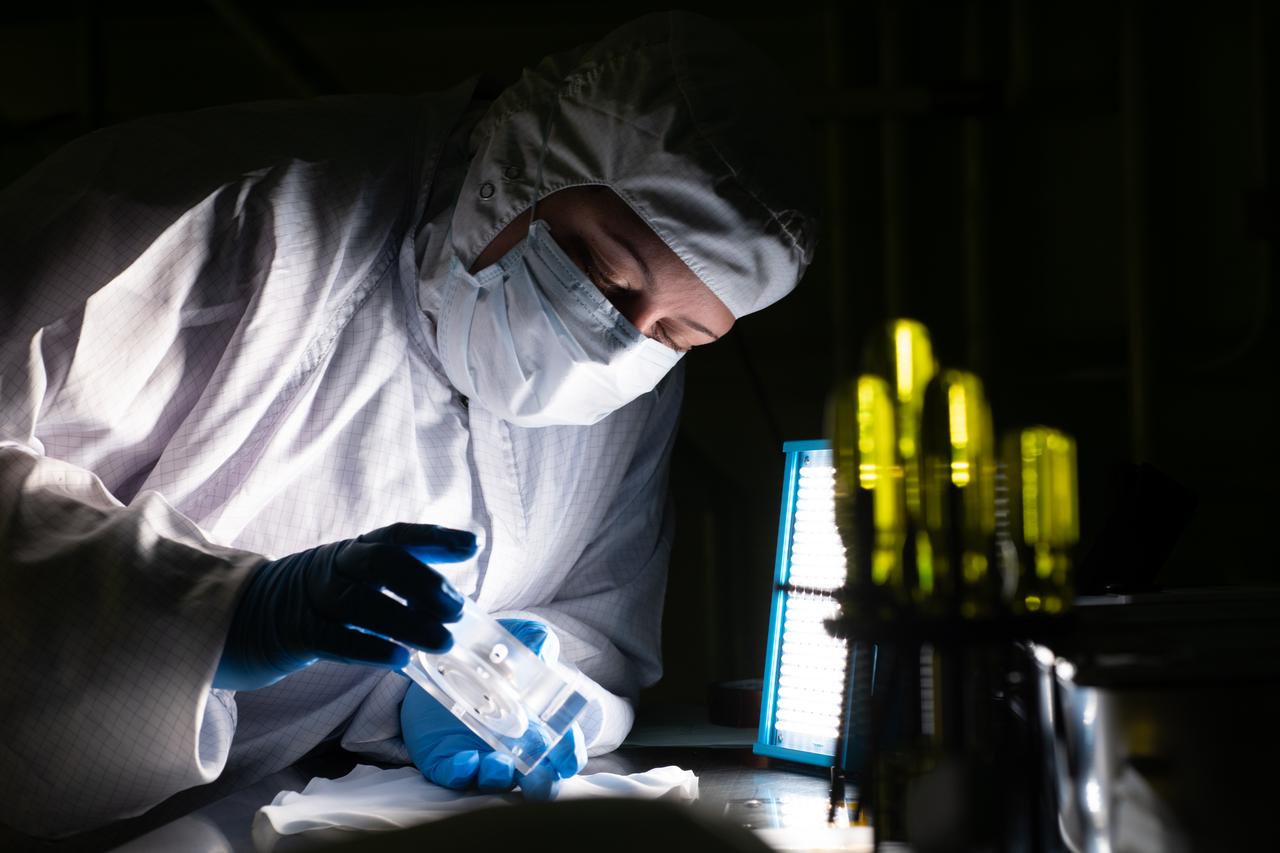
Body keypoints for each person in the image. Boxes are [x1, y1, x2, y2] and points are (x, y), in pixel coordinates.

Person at [0, 10, 816, 839]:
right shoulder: (220, 211)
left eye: (679, 334)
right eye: (603, 273)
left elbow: (597, 618)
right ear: (520, 160)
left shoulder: (634, 385)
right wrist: (220, 613)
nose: (615, 347)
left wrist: (507, 685)